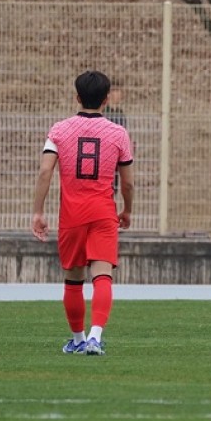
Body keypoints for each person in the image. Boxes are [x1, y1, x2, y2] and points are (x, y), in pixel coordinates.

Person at [32, 70, 134, 356]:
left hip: (72, 214)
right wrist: (127, 210)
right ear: (106, 100)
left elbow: (44, 171)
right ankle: (95, 337)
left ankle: (77, 339)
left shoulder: (59, 130)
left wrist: (38, 212)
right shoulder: (118, 133)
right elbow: (127, 182)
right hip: (103, 212)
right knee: (102, 275)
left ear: (77, 97)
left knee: (73, 279)